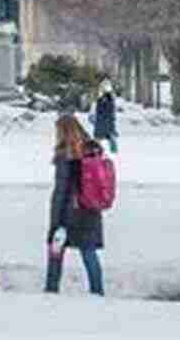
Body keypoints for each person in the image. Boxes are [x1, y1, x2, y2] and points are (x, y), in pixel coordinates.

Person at [45, 114, 105, 296]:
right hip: (90, 208)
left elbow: (61, 191)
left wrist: (55, 221)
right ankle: (97, 290)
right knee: (88, 251)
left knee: (56, 249)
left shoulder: (66, 155)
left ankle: (51, 288)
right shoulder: (93, 151)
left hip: (69, 212)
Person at [92, 80, 118, 154]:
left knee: (110, 137)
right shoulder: (100, 98)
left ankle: (113, 151)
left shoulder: (109, 98)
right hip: (102, 121)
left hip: (106, 121)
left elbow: (112, 110)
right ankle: (97, 151)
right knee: (100, 138)